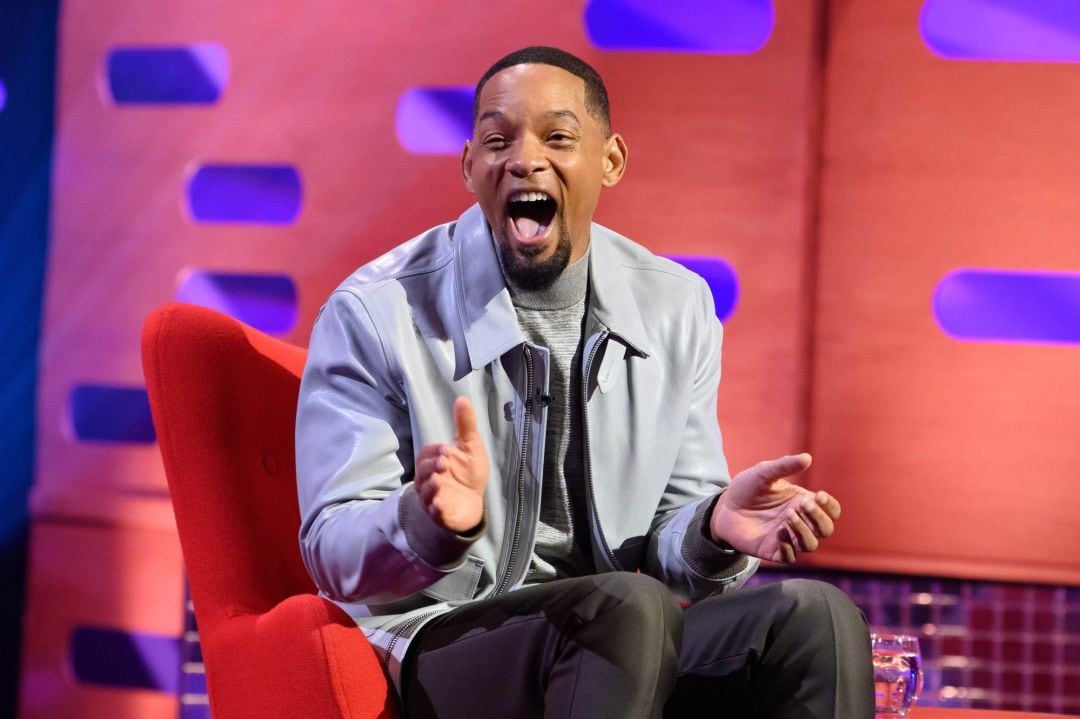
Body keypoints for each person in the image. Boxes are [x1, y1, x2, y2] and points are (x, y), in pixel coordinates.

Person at [296, 46, 873, 718]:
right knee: (627, 607)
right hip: (434, 636)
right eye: (497, 140)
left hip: (616, 631)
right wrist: (426, 526)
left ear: (611, 160)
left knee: (813, 617)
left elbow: (667, 547)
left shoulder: (675, 309)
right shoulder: (376, 310)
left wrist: (713, 526)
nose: (525, 159)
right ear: (470, 167)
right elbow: (330, 550)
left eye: (558, 137)